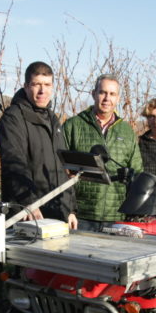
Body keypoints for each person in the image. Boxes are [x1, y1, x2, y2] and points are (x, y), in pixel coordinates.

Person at [0, 61, 77, 229]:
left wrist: (70, 209)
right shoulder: (13, 119)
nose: (42, 91)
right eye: (36, 84)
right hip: (28, 215)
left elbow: (62, 169)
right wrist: (29, 204)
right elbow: (14, 165)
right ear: (26, 86)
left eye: (47, 85)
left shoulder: (53, 119)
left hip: (57, 212)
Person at [63, 74, 143, 231]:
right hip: (81, 216)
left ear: (118, 98)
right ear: (94, 94)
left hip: (116, 216)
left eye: (112, 94)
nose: (107, 98)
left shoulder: (127, 131)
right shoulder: (73, 126)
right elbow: (60, 171)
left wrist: (132, 210)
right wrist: (68, 209)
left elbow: (137, 171)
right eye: (102, 92)